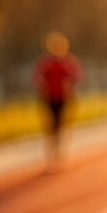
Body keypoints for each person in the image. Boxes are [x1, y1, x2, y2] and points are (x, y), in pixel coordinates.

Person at [33, 32, 83, 166]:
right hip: (49, 99)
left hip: (65, 99)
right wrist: (42, 88)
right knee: (51, 127)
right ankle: (51, 156)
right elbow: (38, 78)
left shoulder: (68, 62)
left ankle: (60, 153)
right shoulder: (46, 63)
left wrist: (70, 86)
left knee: (62, 126)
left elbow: (77, 77)